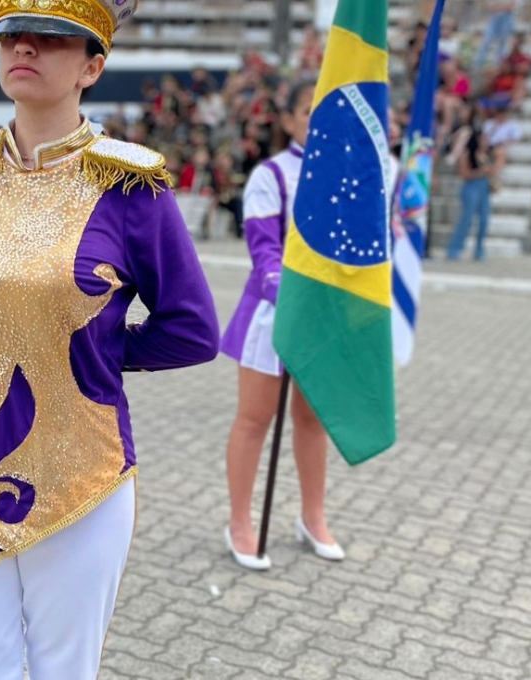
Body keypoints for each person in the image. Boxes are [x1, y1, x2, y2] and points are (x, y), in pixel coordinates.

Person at [0, 0, 219, 677]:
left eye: (51, 38)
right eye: (10, 36)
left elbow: (193, 329)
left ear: (93, 64)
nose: (23, 48)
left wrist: (96, 345)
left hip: (80, 472)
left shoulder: (130, 186)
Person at [218, 80, 344, 571]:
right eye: (309, 112)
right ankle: (240, 521)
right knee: (255, 418)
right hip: (274, 313)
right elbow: (264, 250)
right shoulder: (270, 175)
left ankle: (313, 516)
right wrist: (291, 299)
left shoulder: (346, 179)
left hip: (325, 319)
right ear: (290, 119)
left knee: (313, 421)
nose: (318, 124)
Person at [446, 111, 496, 260]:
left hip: (484, 187)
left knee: (484, 219)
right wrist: (481, 171)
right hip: (471, 186)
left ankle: (479, 249)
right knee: (466, 218)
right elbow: (464, 173)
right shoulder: (467, 154)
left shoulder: (487, 155)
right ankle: (455, 248)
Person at [474, 2, 516, 72]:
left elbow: (511, 6)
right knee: (486, 42)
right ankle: (477, 64)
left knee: (503, 43)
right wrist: (502, 6)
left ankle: (499, 64)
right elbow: (491, 7)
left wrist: (500, 6)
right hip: (495, 17)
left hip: (507, 18)